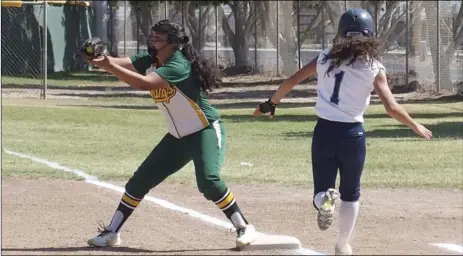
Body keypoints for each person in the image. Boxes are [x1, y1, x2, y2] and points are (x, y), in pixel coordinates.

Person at [253, 8, 433, 255]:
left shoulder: (325, 57)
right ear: (370, 37)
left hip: (324, 131)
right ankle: (342, 245)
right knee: (351, 193)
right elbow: (391, 108)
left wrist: (270, 104)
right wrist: (415, 125)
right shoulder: (373, 67)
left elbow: (292, 81)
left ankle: (324, 200)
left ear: (340, 34)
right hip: (353, 136)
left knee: (321, 191)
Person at [85, 19, 256, 249]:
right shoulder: (153, 59)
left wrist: (109, 67)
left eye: (158, 38)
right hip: (177, 137)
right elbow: (121, 62)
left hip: (203, 130)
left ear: (173, 43)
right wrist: (101, 60)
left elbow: (145, 84)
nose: (152, 40)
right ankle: (112, 232)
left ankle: (244, 226)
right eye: (152, 36)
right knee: (138, 182)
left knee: (209, 181)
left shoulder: (178, 65)